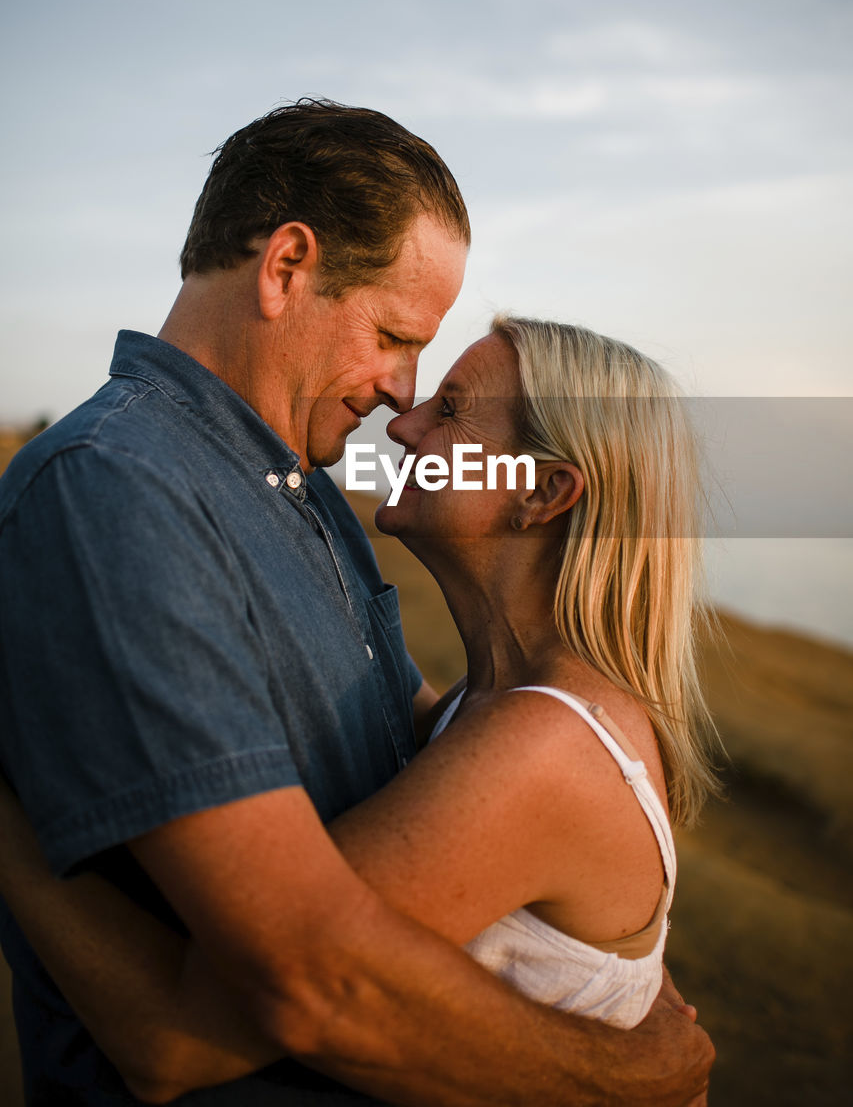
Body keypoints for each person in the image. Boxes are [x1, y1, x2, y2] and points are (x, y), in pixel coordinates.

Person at [0, 100, 713, 1105]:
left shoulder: (304, 498)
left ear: (549, 490)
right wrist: (617, 1064)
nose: (402, 403)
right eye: (392, 336)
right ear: (286, 265)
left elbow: (487, 789)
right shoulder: (120, 486)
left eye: (447, 395)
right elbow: (264, 992)